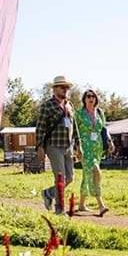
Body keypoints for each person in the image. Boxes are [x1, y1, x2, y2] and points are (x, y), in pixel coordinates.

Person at [35, 75, 77, 214]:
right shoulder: (47, 105)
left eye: (66, 87)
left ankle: (48, 194)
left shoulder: (70, 105)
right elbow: (40, 128)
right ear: (54, 89)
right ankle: (60, 210)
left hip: (68, 146)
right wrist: (40, 147)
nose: (65, 89)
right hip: (53, 146)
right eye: (62, 87)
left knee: (70, 177)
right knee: (60, 178)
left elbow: (74, 126)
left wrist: (79, 145)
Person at [74, 89, 114, 216]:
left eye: (93, 96)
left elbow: (104, 129)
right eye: (88, 96)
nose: (91, 98)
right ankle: (101, 205)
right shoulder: (79, 114)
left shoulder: (100, 112)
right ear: (84, 99)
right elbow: (74, 131)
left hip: (97, 148)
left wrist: (110, 141)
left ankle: (81, 205)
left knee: (87, 175)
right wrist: (76, 147)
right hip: (84, 148)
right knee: (95, 171)